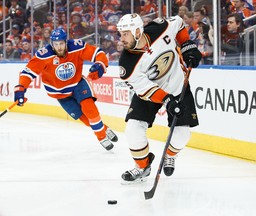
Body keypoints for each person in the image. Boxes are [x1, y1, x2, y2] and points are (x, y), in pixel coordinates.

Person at [116, 13, 202, 182]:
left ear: (137, 31)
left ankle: (169, 155)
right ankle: (142, 166)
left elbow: (178, 23)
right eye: (121, 34)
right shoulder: (127, 63)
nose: (122, 38)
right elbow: (145, 89)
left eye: (125, 33)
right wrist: (166, 99)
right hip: (151, 92)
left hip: (177, 85)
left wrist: (186, 45)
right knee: (133, 128)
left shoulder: (160, 28)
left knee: (182, 134)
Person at [14, 28, 118, 151]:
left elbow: (97, 53)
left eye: (61, 44)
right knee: (85, 119)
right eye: (56, 44)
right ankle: (104, 129)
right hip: (59, 93)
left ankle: (101, 137)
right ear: (51, 44)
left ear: (66, 42)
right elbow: (28, 72)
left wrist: (101, 64)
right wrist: (21, 88)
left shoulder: (76, 47)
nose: (59, 47)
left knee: (89, 108)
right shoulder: (44, 54)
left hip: (77, 83)